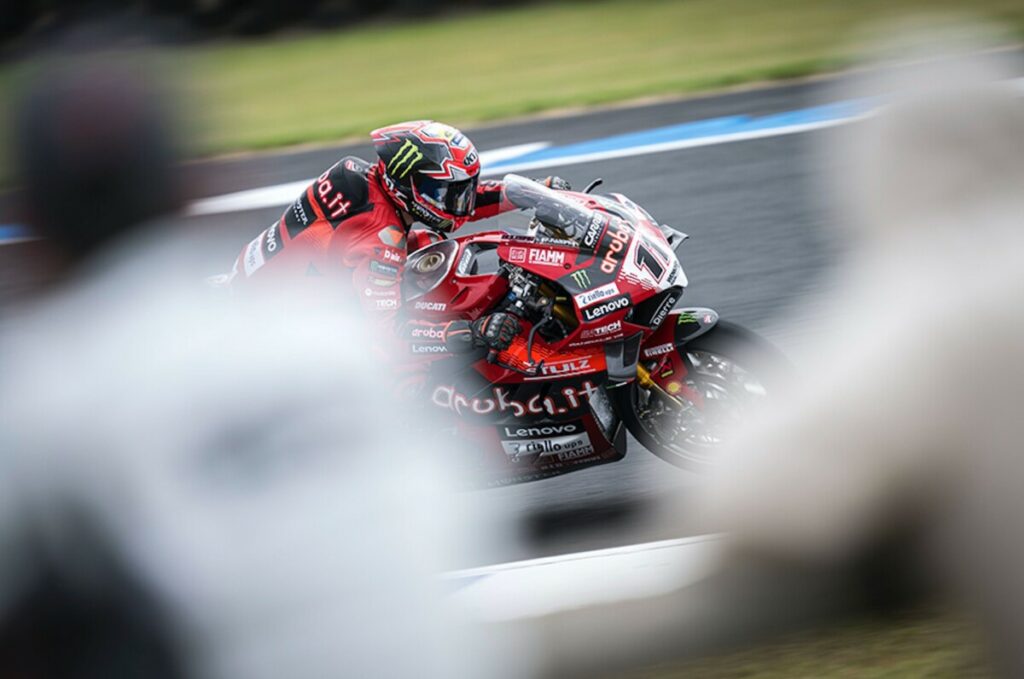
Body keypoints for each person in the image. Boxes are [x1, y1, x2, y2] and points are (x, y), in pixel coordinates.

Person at [225, 119, 567, 357]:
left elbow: (460, 206)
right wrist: (470, 334)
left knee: (430, 251)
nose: (460, 201)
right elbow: (387, 334)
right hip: (282, 329)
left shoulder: (362, 177)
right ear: (407, 184)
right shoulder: (381, 238)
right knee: (427, 361)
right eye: (447, 192)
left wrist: (531, 195)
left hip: (271, 286)